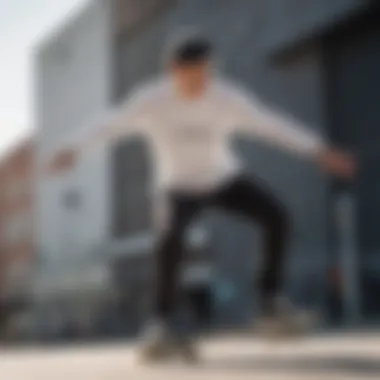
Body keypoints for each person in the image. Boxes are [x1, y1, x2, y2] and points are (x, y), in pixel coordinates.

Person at [48, 32, 355, 361]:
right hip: (176, 186)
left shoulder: (226, 97)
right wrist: (74, 146)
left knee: (277, 215)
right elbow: (110, 123)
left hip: (223, 178)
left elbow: (271, 125)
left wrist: (316, 150)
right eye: (192, 76)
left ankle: (270, 304)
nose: (200, 84)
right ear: (173, 70)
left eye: (205, 74)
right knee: (169, 239)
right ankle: (162, 322)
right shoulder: (151, 99)